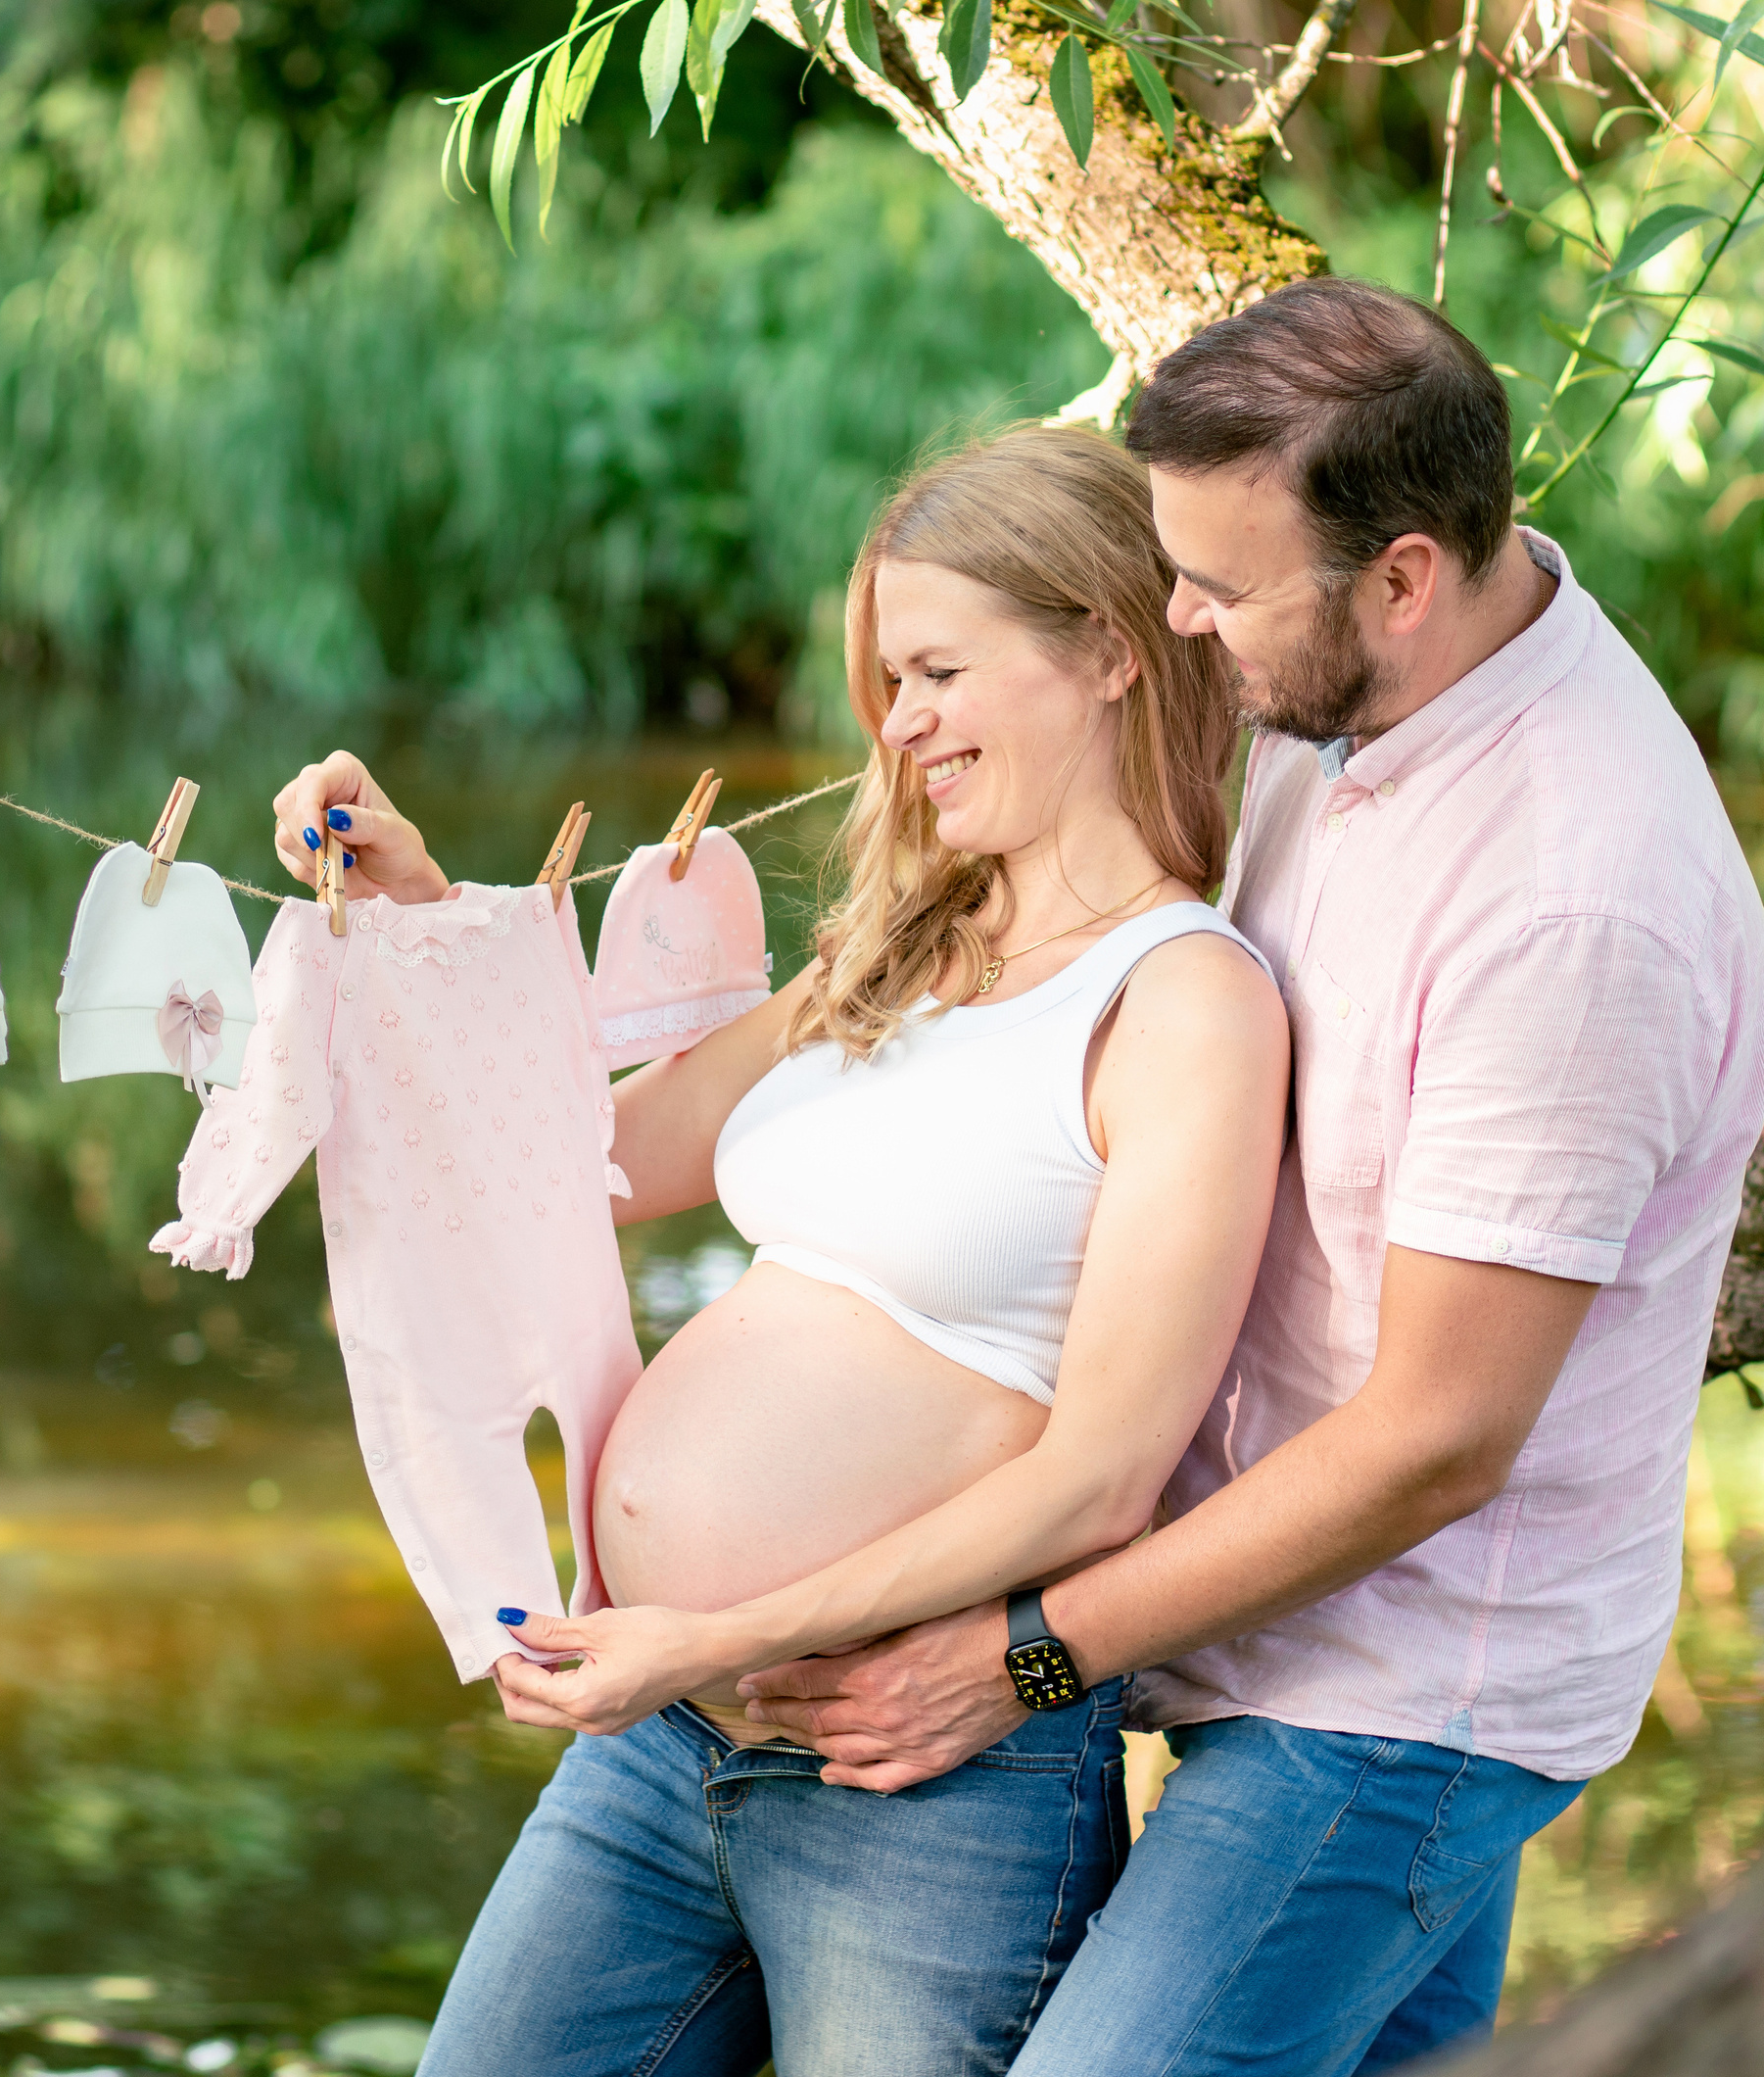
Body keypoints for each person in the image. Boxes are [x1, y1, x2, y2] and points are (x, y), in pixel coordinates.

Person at [736, 277, 1764, 2073]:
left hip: (1400, 1697)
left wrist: (1029, 1653)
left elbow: (1436, 1440)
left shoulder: (1573, 899)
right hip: (1247, 1623)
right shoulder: (1360, 687)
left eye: (1218, 591)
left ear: (1404, 576)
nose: (1184, 629)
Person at [266, 422, 1293, 2075]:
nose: (901, 725)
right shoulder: (903, 945)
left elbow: (1103, 1480)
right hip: (664, 1740)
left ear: (1109, 648)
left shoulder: (1184, 1006)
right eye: (888, 680)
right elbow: (586, 1155)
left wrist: (715, 1631)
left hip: (924, 1779)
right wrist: (410, 901)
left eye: (941, 670)